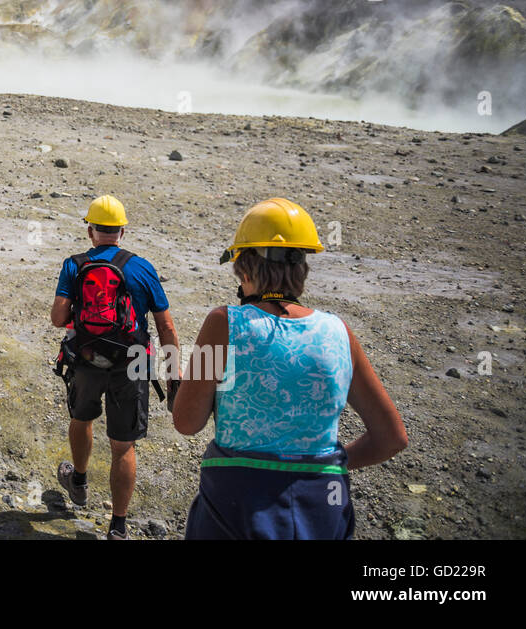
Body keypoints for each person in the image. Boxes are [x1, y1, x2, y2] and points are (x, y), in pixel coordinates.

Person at [172, 197, 408, 539]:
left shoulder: (223, 323)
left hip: (237, 508)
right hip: (322, 508)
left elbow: (187, 423)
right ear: (302, 268)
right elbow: (392, 438)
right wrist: (327, 465)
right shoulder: (338, 332)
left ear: (245, 267)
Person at [51, 194, 179, 540]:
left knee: (82, 419)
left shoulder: (74, 265)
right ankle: (118, 527)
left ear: (91, 230)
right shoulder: (142, 267)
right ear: (122, 231)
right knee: (123, 445)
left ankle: (78, 481)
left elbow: (58, 318)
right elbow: (166, 328)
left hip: (88, 359)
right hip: (133, 364)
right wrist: (174, 375)